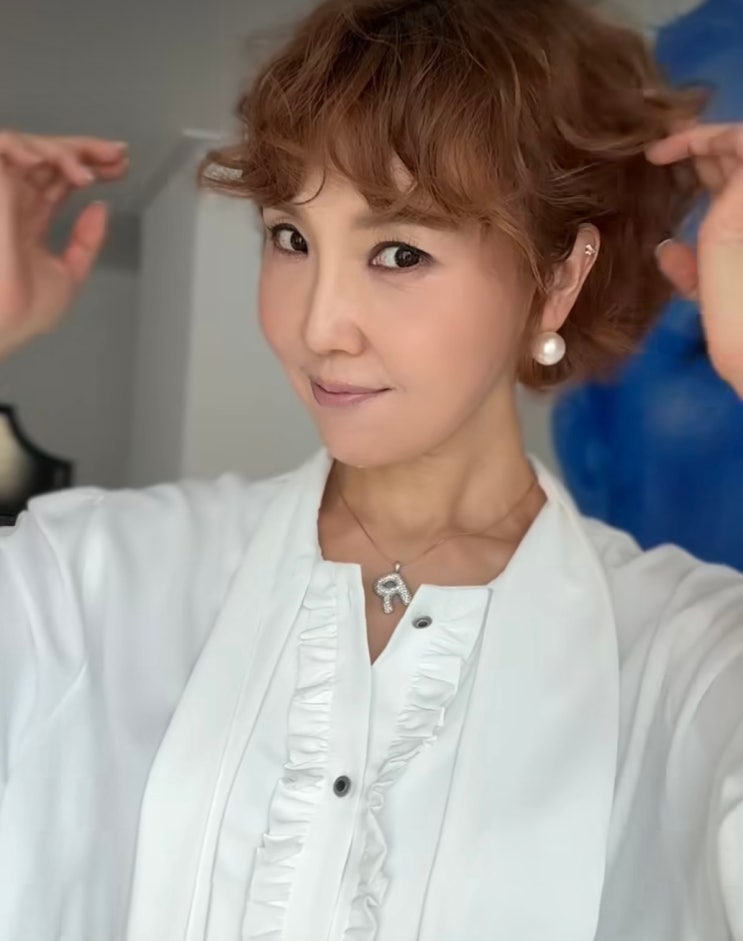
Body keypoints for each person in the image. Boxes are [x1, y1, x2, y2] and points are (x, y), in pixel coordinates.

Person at [0, 0, 742, 939]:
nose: (318, 325)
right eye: (289, 237)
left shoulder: (682, 655)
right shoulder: (96, 575)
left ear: (556, 277)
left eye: (398, 252)